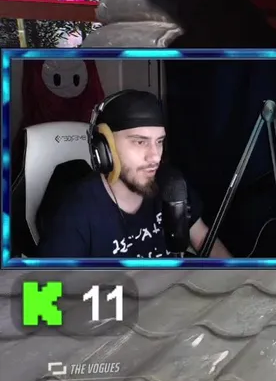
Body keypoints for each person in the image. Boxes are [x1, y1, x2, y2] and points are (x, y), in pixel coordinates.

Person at [35, 89, 232, 259]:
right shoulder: (74, 214)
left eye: (159, 142)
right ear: (104, 149)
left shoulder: (171, 184)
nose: (155, 157)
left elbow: (203, 239)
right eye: (140, 142)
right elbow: (43, 292)